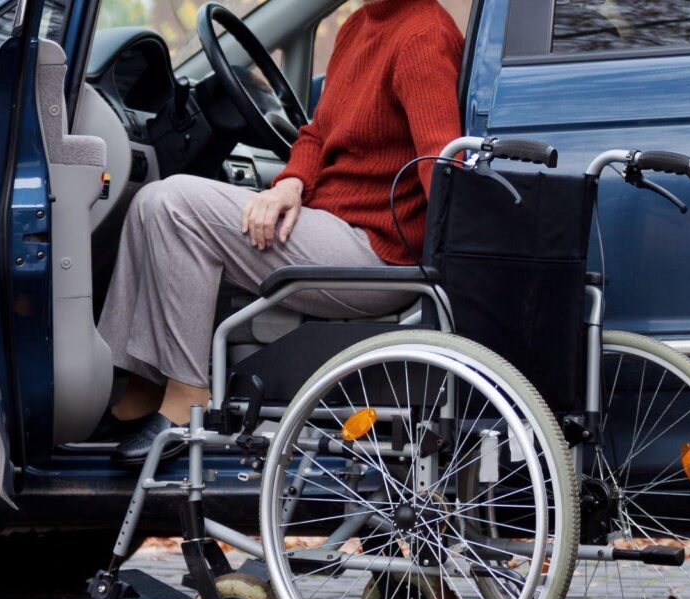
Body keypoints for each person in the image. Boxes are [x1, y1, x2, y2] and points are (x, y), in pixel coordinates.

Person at [95, 0, 464, 459]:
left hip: (374, 250)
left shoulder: (423, 35)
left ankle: (188, 396)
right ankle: (144, 384)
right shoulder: (358, 27)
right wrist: (290, 183)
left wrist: (458, 274)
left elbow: (442, 164)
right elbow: (316, 134)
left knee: (175, 203)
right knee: (148, 202)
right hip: (327, 221)